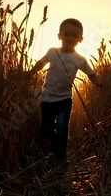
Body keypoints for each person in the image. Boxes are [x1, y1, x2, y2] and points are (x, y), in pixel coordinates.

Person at [25, 18, 102, 162]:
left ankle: (61, 157)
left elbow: (91, 73)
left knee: (62, 128)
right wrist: (29, 73)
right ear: (59, 36)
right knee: (46, 129)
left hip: (65, 100)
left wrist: (98, 82)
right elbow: (40, 63)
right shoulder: (52, 52)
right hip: (47, 99)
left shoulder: (79, 59)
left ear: (80, 39)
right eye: (66, 34)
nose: (70, 38)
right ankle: (54, 146)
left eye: (74, 35)